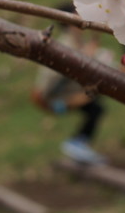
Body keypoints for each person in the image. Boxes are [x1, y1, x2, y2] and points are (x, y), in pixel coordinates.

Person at [32, 9, 112, 165]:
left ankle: (79, 142)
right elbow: (51, 82)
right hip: (56, 98)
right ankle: (77, 143)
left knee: (96, 108)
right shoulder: (65, 44)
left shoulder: (74, 42)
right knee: (95, 108)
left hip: (64, 94)